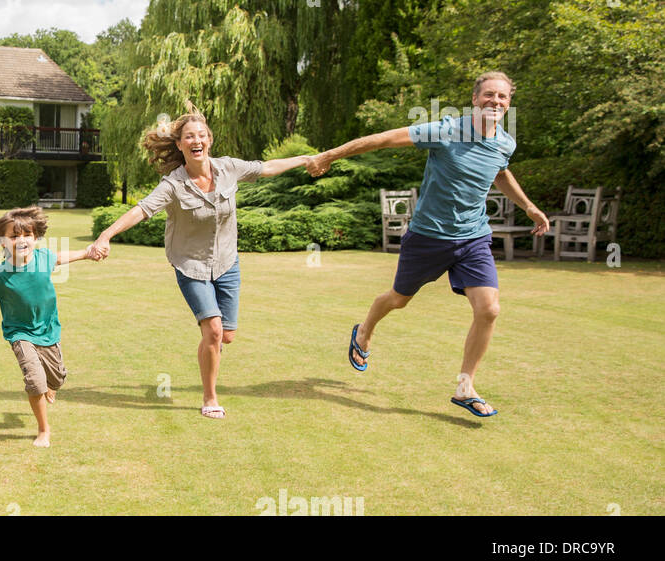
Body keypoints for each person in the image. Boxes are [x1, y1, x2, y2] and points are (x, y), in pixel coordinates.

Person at [305, 71, 550, 417]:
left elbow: (500, 171)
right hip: (428, 237)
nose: (495, 102)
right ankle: (364, 331)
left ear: (509, 103)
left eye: (503, 97)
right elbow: (381, 140)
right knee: (398, 300)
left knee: (489, 309)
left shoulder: (505, 142)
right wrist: (329, 155)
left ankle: (466, 386)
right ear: (475, 99)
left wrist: (529, 206)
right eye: (489, 95)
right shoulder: (446, 130)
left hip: (473, 237)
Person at [88, 103, 311, 419]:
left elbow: (267, 167)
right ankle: (210, 398)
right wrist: (105, 235)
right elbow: (141, 210)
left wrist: (307, 159)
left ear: (209, 140)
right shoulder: (173, 184)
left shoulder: (229, 168)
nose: (196, 141)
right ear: (179, 144)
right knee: (214, 330)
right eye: (189, 137)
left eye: (201, 135)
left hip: (226, 262)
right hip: (190, 265)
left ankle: (212, 347)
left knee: (227, 335)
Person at [0, 207, 99, 447]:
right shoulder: (0, 275)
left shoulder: (44, 258)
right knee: (35, 382)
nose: (21, 240)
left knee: (57, 380)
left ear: (35, 237)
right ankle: (43, 430)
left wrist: (88, 252)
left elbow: (63, 257)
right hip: (19, 334)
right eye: (13, 236)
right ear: (2, 241)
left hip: (48, 330)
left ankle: (51, 385)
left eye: (27, 234)